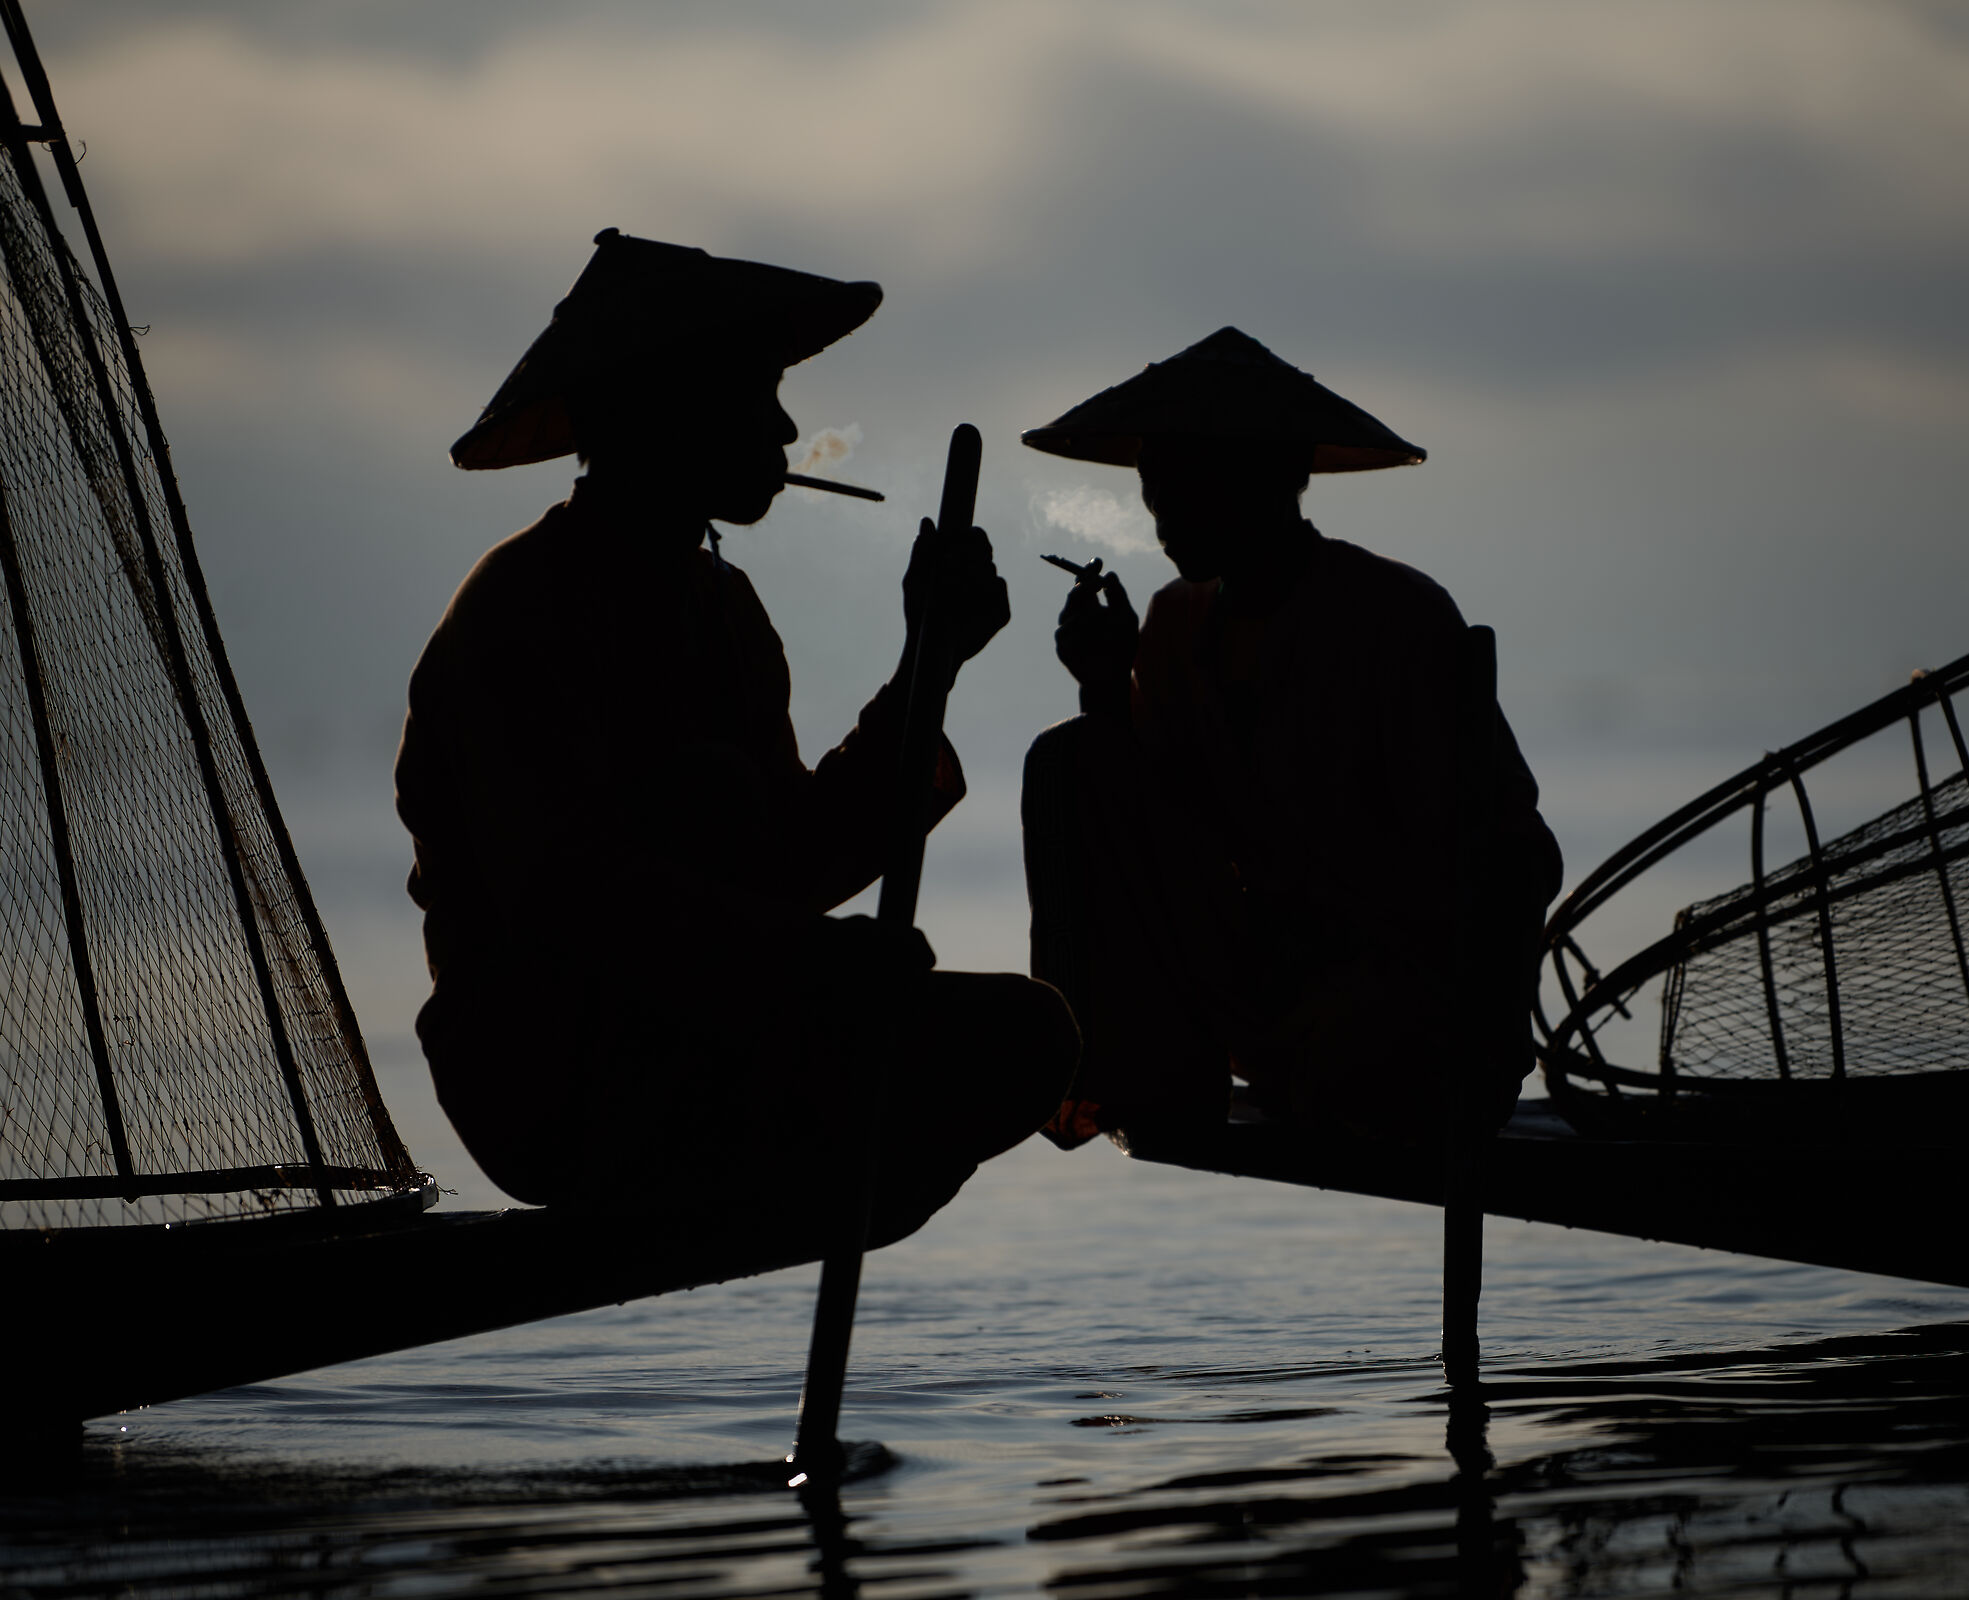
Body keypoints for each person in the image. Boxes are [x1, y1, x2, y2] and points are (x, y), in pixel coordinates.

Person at [397, 229, 1076, 1212]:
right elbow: (571, 897)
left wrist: (929, 665)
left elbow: (788, 861)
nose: (787, 431)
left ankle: (792, 1155)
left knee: (1029, 1034)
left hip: (730, 1033)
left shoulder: (725, 610)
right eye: (756, 397)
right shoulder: (521, 610)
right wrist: (822, 962)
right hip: (551, 1072)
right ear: (667, 410)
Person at [1020, 327, 1561, 1147]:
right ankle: (1112, 1078)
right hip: (1266, 990)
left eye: (1193, 485)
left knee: (1373, 1030)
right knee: (1072, 758)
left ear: (1280, 481)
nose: (1164, 514)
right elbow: (1158, 829)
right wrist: (1103, 682)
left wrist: (1467, 1029)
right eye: (1153, 487)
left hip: (1408, 1002)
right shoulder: (1173, 622)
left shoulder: (1396, 617)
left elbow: (1506, 863)